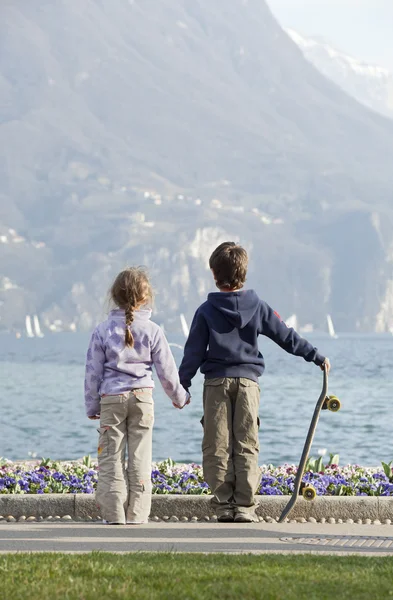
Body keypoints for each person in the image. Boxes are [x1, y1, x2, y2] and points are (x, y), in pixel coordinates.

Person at [179, 242, 330, 523]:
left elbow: (193, 352)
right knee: (247, 442)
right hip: (248, 384)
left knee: (216, 443)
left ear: (214, 274)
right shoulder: (258, 306)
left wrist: (182, 384)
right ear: (244, 273)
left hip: (215, 384)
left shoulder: (205, 310)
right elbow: (287, 336)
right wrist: (316, 356)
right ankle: (246, 506)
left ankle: (225, 504)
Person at [84, 267, 190, 525]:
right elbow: (167, 371)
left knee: (111, 457)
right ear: (146, 298)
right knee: (140, 457)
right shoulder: (153, 330)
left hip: (112, 399)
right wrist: (179, 397)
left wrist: (92, 405)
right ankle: (137, 514)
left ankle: (114, 515)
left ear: (114, 296)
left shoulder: (102, 330)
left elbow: (92, 373)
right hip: (143, 398)